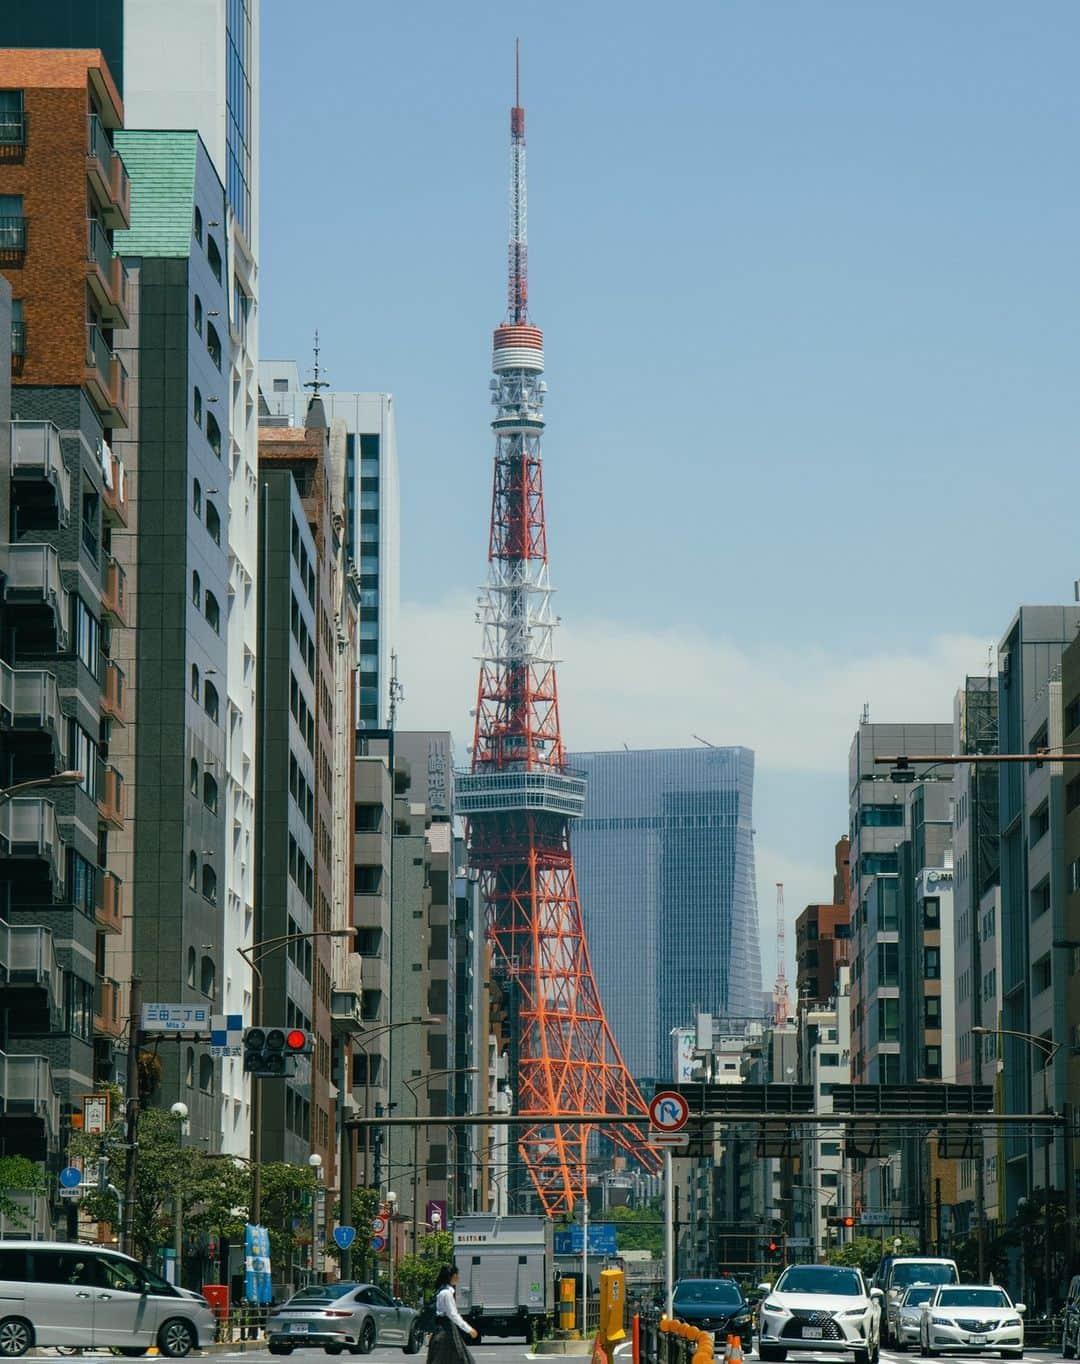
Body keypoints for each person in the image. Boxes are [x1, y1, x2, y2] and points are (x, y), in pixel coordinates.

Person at [426, 1265, 477, 1364]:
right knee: (461, 1359)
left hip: (441, 1331)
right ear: (451, 1277)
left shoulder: (441, 1291)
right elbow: (453, 1315)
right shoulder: (446, 1294)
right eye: (456, 1275)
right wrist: (469, 1329)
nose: (458, 1277)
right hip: (447, 1332)